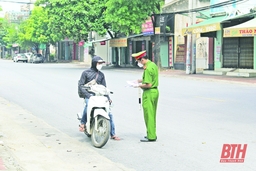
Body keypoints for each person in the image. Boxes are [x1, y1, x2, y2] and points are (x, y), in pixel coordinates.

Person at [78, 56, 120, 140]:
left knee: (109, 114)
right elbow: (81, 86)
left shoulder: (101, 75)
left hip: (99, 96)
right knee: (87, 106)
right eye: (99, 63)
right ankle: (82, 123)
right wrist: (88, 96)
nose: (100, 65)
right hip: (89, 95)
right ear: (94, 63)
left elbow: (104, 88)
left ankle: (113, 133)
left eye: (101, 63)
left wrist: (108, 97)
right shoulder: (85, 73)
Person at [132, 50, 159, 142]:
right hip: (155, 92)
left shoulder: (147, 68)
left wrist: (137, 85)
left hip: (149, 93)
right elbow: (151, 79)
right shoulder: (153, 65)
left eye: (138, 61)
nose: (139, 64)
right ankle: (152, 134)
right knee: (153, 114)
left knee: (148, 115)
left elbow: (148, 84)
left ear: (142, 60)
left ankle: (151, 136)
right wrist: (139, 80)